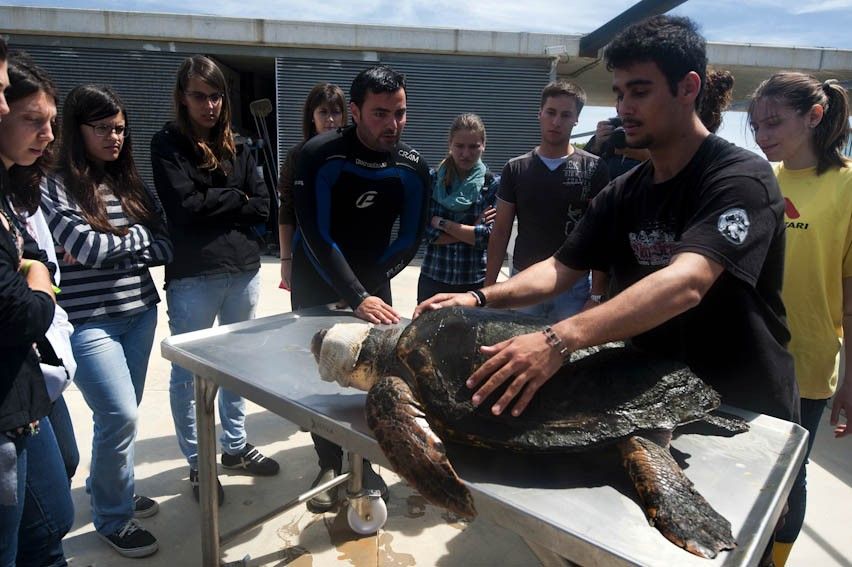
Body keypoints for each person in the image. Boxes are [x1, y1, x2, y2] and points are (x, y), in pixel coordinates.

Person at [416, 14, 798, 437]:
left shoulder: (741, 177)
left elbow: (687, 282)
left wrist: (558, 339)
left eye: (639, 91)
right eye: (619, 93)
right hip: (652, 402)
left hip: (743, 408)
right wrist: (477, 297)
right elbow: (560, 268)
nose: (623, 109)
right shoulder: (624, 192)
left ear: (688, 87)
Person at [40, 83, 173, 559]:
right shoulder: (51, 186)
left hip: (139, 311)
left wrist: (113, 242)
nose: (114, 138)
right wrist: (132, 239)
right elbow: (86, 249)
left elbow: (165, 244)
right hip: (89, 322)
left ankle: (110, 487)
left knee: (118, 419)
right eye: (103, 129)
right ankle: (114, 518)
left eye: (120, 128)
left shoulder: (128, 181)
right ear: (77, 130)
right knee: (120, 414)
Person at [292, 64, 431, 511]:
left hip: (374, 283)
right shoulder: (319, 155)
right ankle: (330, 462)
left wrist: (367, 293)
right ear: (354, 111)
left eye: (400, 113)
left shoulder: (413, 168)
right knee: (322, 375)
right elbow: (314, 233)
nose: (392, 124)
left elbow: (410, 238)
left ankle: (363, 462)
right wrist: (352, 295)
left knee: (371, 376)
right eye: (379, 113)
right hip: (319, 278)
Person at [151, 55, 279, 507]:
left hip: (242, 271)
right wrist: (235, 198)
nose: (210, 106)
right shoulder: (167, 144)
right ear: (183, 98)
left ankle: (236, 447)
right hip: (193, 275)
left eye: (217, 96)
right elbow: (184, 206)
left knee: (238, 366)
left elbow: (263, 206)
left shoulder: (240, 143)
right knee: (189, 375)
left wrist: (218, 199)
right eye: (200, 96)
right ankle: (198, 462)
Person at [748, 72, 852, 566]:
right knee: (744, 463)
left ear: (814, 116)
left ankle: (777, 560)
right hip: (750, 351)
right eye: (755, 125)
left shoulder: (847, 186)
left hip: (809, 361)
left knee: (791, 471)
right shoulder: (758, 179)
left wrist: (851, 378)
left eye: (773, 122)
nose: (763, 134)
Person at [0, 42, 74, 567]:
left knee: (51, 522)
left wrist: (31, 269)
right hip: (9, 401)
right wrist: (40, 276)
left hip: (28, 381)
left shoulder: (14, 186)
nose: (47, 135)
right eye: (32, 119)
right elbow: (21, 311)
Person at [484, 80, 609, 322]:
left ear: (576, 119)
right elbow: (500, 231)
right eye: (551, 112)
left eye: (565, 115)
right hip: (523, 282)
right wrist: (489, 291)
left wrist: (596, 296)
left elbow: (601, 235)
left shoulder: (593, 168)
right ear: (539, 113)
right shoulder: (516, 168)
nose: (556, 122)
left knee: (570, 358)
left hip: (573, 284)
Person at [418, 113, 498, 302]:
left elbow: (487, 238)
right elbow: (425, 233)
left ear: (483, 145)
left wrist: (442, 223)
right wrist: (470, 231)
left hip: (473, 282)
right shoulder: (432, 180)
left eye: (473, 146)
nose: (466, 153)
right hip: (434, 277)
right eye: (460, 146)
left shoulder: (492, 184)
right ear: (450, 144)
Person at [277, 83, 346, 290]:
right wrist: (286, 261)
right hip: (307, 254)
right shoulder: (297, 156)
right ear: (311, 116)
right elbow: (287, 209)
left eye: (336, 112)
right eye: (323, 112)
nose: (330, 120)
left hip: (348, 254)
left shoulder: (355, 156)